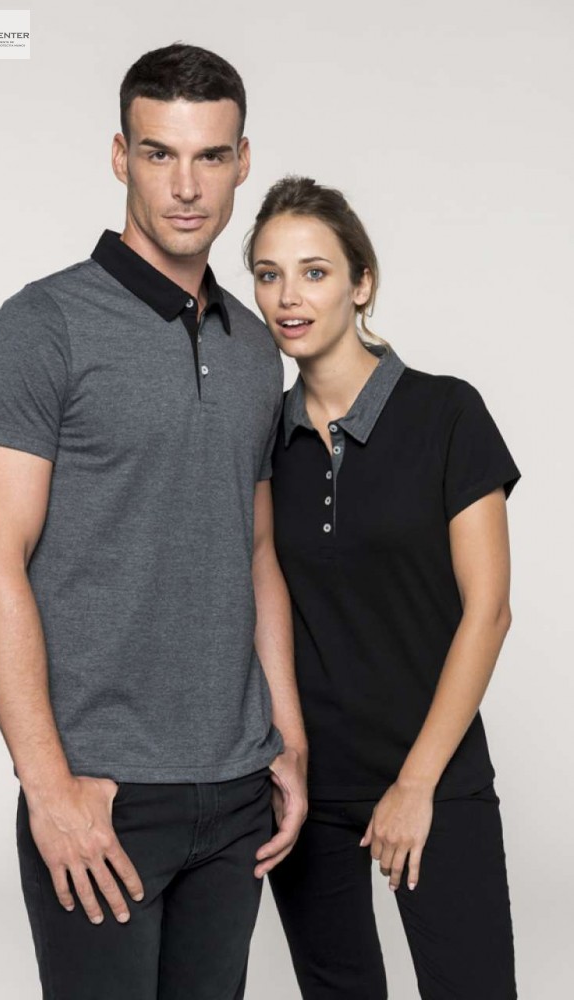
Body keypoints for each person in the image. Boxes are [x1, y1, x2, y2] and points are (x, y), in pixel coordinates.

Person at [0, 45, 308, 1000]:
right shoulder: (42, 327)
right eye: (159, 154)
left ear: (241, 160)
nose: (185, 187)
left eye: (209, 156)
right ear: (120, 156)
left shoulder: (254, 350)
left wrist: (286, 737)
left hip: (235, 792)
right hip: (101, 795)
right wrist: (48, 787)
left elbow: (257, 550)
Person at [244, 175, 519, 999]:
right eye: (267, 274)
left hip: (434, 771)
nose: (288, 296)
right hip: (308, 783)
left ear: (360, 283)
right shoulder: (260, 443)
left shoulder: (446, 414)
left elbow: (488, 612)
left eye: (314, 271)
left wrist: (415, 783)